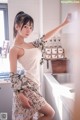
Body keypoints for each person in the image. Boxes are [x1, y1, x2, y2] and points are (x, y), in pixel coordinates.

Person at [9, 11, 70, 120]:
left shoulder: (31, 44)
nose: (29, 30)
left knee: (30, 118)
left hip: (35, 86)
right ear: (17, 26)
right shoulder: (14, 49)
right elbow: (13, 75)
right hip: (26, 88)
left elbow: (45, 37)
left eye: (31, 27)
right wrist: (21, 95)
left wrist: (64, 23)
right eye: (26, 26)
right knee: (50, 113)